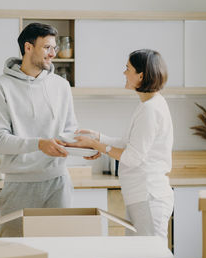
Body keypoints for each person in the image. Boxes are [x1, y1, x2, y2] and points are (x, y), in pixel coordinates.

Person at [68, 49, 174, 239]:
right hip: (141, 196)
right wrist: (98, 137)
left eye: (128, 69)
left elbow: (132, 157)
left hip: (148, 196)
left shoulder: (150, 110)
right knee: (137, 257)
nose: (124, 73)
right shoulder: (148, 105)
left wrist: (95, 144)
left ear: (141, 75)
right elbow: (128, 144)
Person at [0, 22, 78, 237]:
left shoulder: (61, 85)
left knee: (60, 250)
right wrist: (39, 144)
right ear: (28, 47)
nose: (53, 54)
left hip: (58, 182)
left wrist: (85, 146)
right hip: (20, 185)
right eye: (47, 47)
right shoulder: (1, 86)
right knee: (14, 253)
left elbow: (70, 131)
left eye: (54, 48)